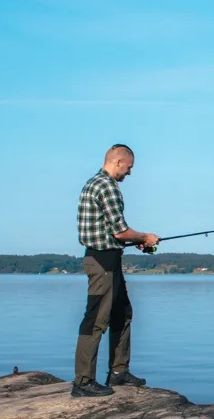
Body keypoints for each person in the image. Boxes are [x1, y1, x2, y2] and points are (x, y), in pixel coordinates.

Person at [71, 143, 160, 398]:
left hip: (107, 258)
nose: (129, 173)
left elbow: (111, 233)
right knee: (96, 320)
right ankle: (83, 381)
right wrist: (145, 236)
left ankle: (119, 372)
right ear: (118, 162)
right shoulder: (108, 186)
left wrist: (137, 241)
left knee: (122, 312)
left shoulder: (93, 182)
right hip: (103, 263)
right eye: (129, 167)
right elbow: (119, 231)